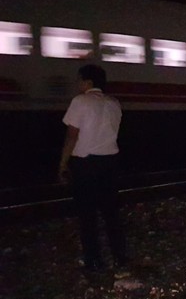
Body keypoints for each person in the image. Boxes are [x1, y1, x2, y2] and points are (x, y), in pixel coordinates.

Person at [58, 64, 127, 271]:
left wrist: (63, 163)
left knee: (87, 215)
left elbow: (72, 136)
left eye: (79, 80)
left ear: (88, 82)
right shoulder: (114, 103)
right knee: (111, 213)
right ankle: (119, 255)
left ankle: (94, 259)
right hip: (110, 164)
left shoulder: (80, 101)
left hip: (86, 165)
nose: (77, 84)